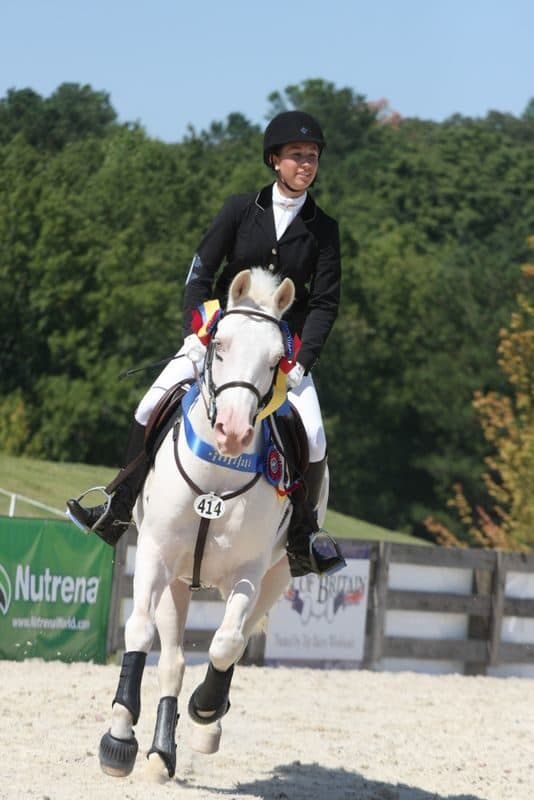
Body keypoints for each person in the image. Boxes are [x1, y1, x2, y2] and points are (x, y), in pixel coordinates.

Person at [67, 110, 345, 577]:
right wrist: (195, 335)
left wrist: (301, 361)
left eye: (312, 156)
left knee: (314, 437)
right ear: (274, 160)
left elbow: (324, 304)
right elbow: (200, 275)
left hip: (280, 353)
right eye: (296, 155)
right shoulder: (239, 210)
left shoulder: (324, 228)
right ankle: (118, 507)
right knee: (149, 405)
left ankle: (303, 535)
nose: (306, 163)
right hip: (221, 339)